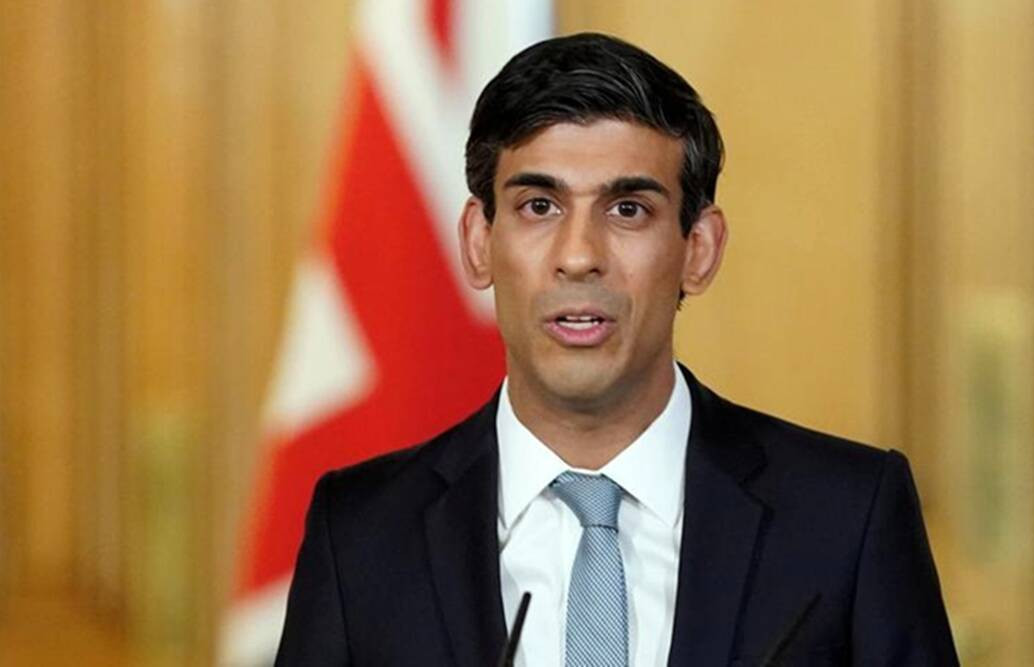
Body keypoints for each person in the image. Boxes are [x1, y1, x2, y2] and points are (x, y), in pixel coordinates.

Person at [275, 32, 957, 666]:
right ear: (479, 242)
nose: (578, 256)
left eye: (627, 209)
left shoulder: (847, 516)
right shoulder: (360, 533)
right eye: (539, 206)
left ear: (698, 249)